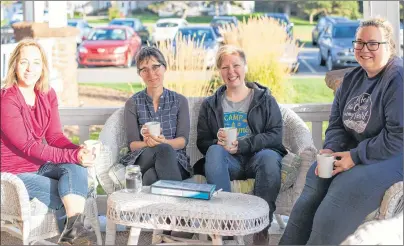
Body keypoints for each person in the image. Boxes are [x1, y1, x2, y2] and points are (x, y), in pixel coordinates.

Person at [279, 17, 403, 245]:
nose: (365, 49)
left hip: (393, 158)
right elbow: (336, 125)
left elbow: (398, 137)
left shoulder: (397, 78)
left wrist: (355, 157)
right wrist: (331, 149)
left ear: (389, 46)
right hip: (356, 154)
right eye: (359, 43)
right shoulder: (352, 79)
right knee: (315, 179)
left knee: (341, 192)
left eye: (373, 44)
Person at [0, 38, 97, 245]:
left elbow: (54, 137)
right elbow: (28, 146)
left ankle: (71, 235)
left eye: (36, 62)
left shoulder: (47, 94)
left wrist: (78, 151)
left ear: (43, 66)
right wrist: (73, 155)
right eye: (24, 62)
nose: (29, 68)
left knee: (76, 168)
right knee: (71, 190)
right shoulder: (7, 99)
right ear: (15, 64)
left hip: (41, 166)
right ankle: (75, 233)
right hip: (13, 175)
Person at [196, 45, 288, 245]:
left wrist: (243, 145)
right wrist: (217, 142)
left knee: (270, 158)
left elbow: (275, 135)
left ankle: (261, 226)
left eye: (236, 65)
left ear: (245, 67)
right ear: (219, 71)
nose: (231, 72)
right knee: (213, 151)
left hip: (258, 158)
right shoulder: (210, 105)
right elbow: (202, 142)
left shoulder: (265, 100)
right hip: (229, 164)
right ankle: (226, 223)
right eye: (225, 67)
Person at [123, 46, 191, 186]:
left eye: (155, 67)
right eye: (144, 69)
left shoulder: (179, 101)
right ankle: (180, 205)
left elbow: (182, 141)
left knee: (150, 177)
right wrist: (149, 144)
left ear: (164, 68)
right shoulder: (132, 103)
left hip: (176, 160)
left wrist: (163, 142)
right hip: (144, 157)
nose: (151, 74)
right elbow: (133, 144)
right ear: (139, 74)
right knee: (162, 149)